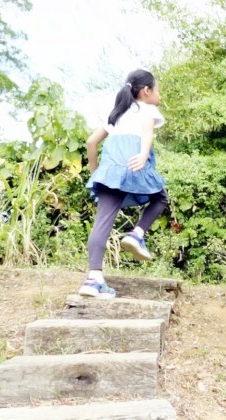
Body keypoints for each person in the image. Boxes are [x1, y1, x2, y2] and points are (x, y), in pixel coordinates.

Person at [78, 69, 169, 299]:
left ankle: (93, 279)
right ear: (146, 91)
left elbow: (91, 142)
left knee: (102, 224)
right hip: (133, 166)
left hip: (109, 173)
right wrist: (143, 154)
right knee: (160, 198)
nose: (159, 95)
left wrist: (95, 172)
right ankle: (137, 234)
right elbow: (147, 134)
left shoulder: (116, 113)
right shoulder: (147, 109)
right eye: (157, 90)